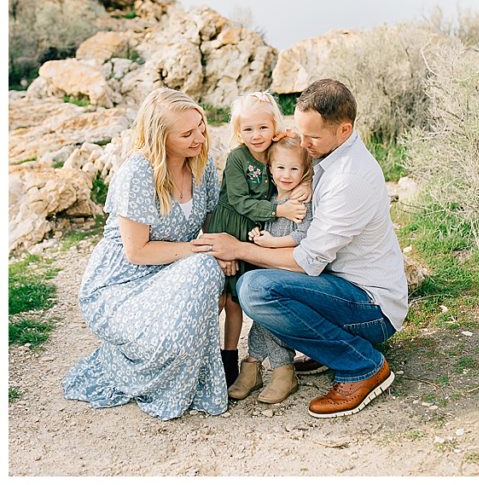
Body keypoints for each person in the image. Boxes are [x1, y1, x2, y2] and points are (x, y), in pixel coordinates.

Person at [203, 78, 408, 418]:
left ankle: (362, 365)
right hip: (344, 289)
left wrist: (237, 248)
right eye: (300, 131)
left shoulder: (348, 179)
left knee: (255, 289)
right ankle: (325, 346)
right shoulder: (329, 157)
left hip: (372, 307)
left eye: (312, 137)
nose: (303, 142)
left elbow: (307, 260)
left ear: (344, 131)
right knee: (263, 278)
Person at [62, 88, 230, 421]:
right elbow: (136, 251)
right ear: (160, 138)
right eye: (186, 133)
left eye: (200, 126)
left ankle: (193, 372)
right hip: (120, 284)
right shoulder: (137, 174)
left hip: (169, 271)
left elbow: (210, 227)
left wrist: (223, 255)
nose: (199, 137)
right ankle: (149, 374)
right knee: (202, 268)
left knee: (209, 269)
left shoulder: (203, 164)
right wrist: (194, 252)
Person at [205, 91, 310, 387]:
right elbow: (238, 201)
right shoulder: (238, 157)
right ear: (239, 131)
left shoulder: (278, 149)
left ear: (274, 125)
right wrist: (279, 209)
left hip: (255, 234)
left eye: (263, 128)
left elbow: (303, 161)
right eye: (248, 129)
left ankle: (233, 361)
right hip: (230, 227)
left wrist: (308, 184)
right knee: (220, 297)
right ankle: (205, 358)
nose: (256, 135)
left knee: (240, 299)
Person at [227, 134, 314, 404]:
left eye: (294, 169)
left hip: (292, 272)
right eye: (280, 168)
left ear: (305, 172)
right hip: (271, 269)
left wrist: (273, 242)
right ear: (270, 170)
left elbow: (303, 235)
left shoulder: (302, 201)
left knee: (269, 314)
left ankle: (280, 369)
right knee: (261, 314)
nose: (286, 175)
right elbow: (267, 227)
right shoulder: (271, 200)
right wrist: (258, 235)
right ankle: (255, 367)